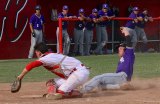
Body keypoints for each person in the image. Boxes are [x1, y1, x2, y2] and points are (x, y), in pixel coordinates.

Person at [17, 42, 90, 100]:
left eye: (36, 52)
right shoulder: (51, 55)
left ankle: (77, 92)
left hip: (78, 73)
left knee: (60, 92)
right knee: (51, 83)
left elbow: (31, 65)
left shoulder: (46, 58)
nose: (35, 54)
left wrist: (20, 77)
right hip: (77, 73)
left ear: (39, 52)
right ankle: (54, 93)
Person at [81, 27, 135, 93]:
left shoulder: (129, 54)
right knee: (100, 85)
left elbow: (129, 42)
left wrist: (126, 31)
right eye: (118, 49)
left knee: (99, 78)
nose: (119, 50)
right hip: (121, 78)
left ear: (125, 50)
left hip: (122, 76)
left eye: (120, 49)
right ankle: (120, 86)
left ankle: (83, 90)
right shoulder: (122, 59)